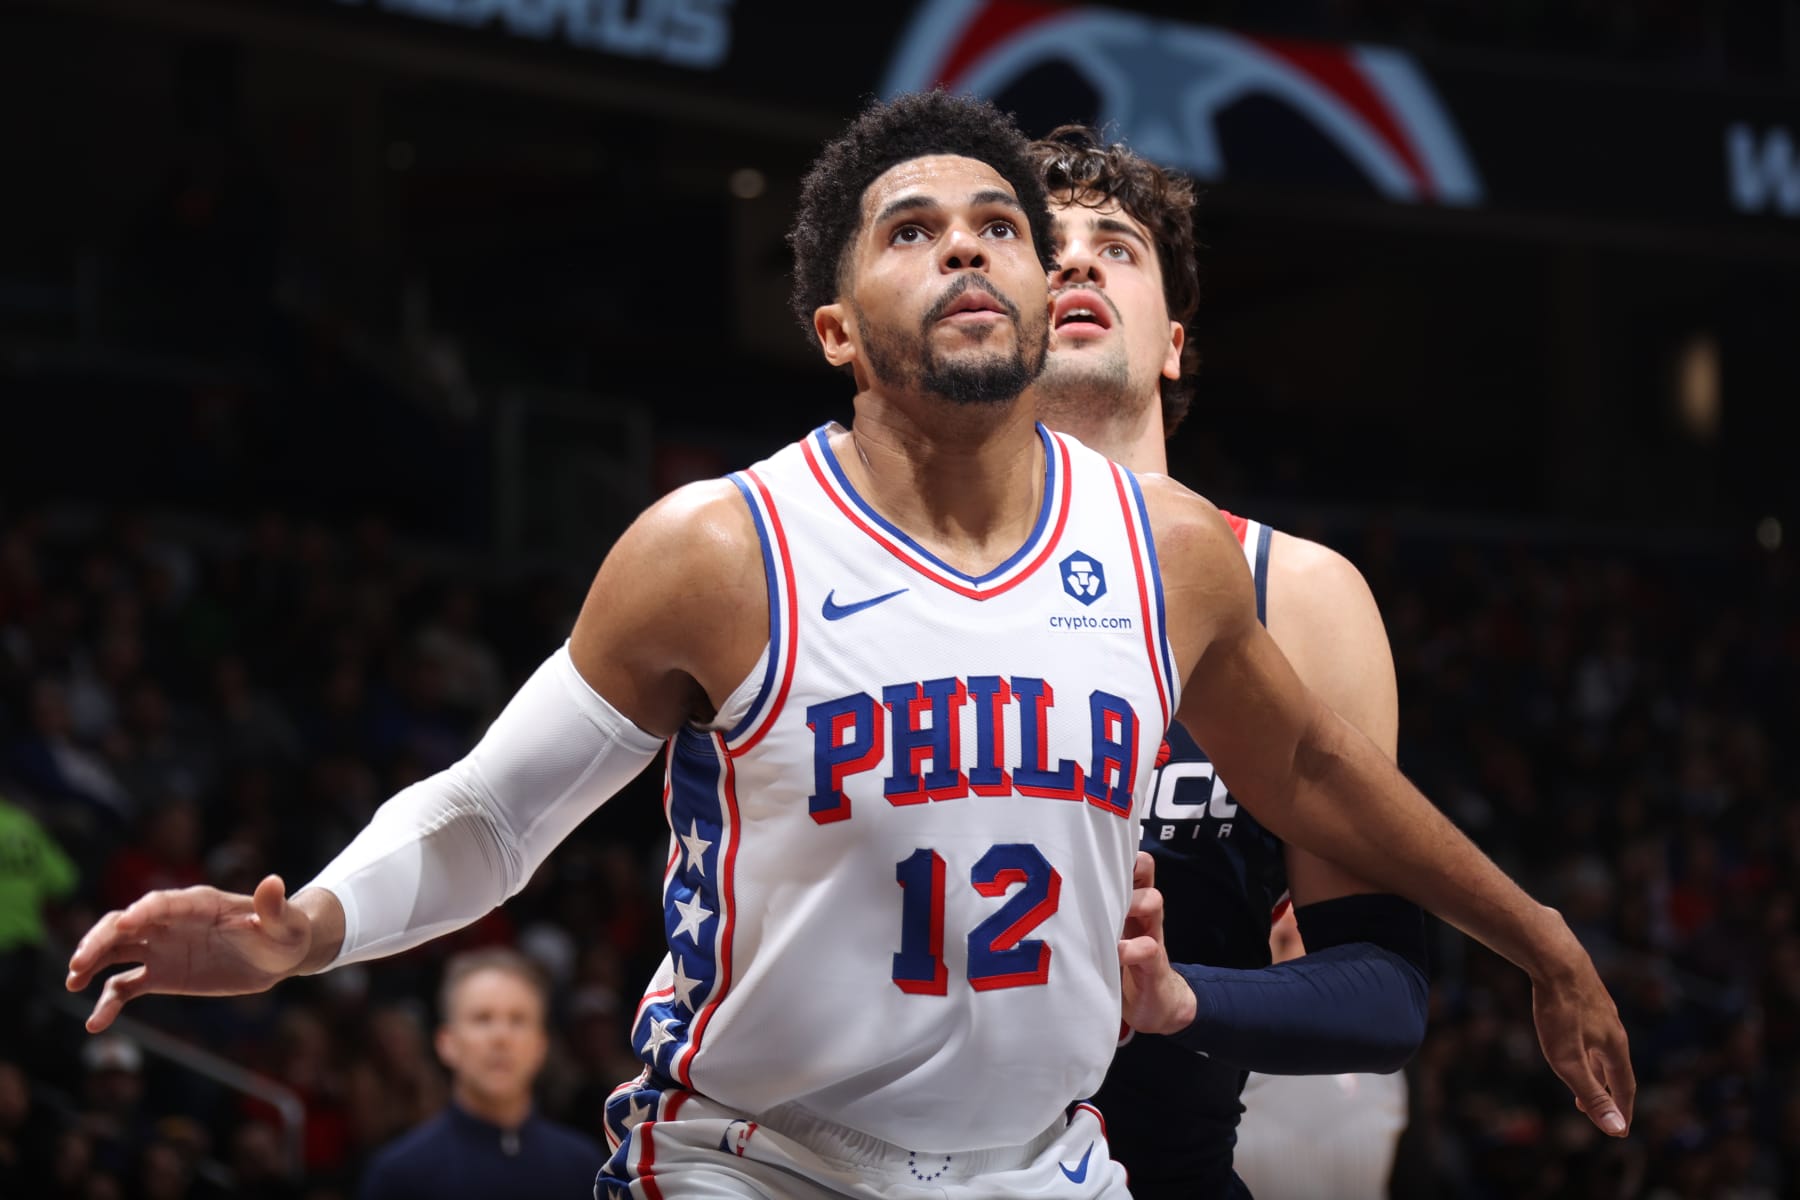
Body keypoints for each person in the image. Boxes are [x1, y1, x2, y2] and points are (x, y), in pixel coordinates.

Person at [66, 91, 1630, 1200]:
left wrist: (1539, 936)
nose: (973, 250)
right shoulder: (717, 549)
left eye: (1001, 225)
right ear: (831, 324)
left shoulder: (1167, 557)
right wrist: (309, 928)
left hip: (1042, 1166)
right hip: (759, 1160)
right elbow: (492, 812)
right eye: (914, 228)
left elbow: (1327, 778)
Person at [1027, 126, 1431, 1197]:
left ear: (1172, 340)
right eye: (1040, 245)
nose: (1073, 260)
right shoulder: (875, 580)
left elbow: (1385, 988)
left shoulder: (1296, 594)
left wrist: (1179, 996)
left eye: (1116, 246)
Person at [358, 948, 603, 1200]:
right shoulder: (399, 1176)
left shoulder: (584, 1168)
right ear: (447, 1042)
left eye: (517, 1020)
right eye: (482, 1019)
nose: (501, 1038)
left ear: (541, 1045)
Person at [1231, 909, 1409, 1200]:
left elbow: (1411, 1174)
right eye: (1285, 935)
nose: (1289, 920)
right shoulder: (1221, 1050)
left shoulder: (1383, 1050)